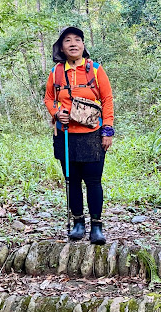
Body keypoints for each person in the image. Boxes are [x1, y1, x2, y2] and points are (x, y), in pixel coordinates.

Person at [44, 26, 114, 244]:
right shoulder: (56, 72)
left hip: (92, 134)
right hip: (65, 136)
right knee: (71, 180)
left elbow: (107, 100)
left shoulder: (94, 69)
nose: (73, 44)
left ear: (83, 45)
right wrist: (57, 113)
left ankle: (96, 227)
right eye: (67, 40)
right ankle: (77, 223)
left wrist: (108, 130)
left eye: (77, 40)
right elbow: (48, 98)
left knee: (93, 181)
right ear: (61, 47)